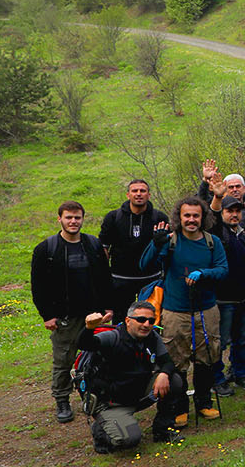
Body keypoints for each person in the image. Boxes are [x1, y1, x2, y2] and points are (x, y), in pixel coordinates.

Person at [139, 197, 228, 422]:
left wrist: (203, 273)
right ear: (179, 217)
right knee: (176, 360)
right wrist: (156, 243)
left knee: (207, 358)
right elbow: (144, 265)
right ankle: (179, 408)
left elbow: (223, 270)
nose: (191, 220)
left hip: (206, 309)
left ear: (203, 217)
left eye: (195, 216)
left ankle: (204, 403)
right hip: (174, 310)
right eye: (186, 215)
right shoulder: (170, 241)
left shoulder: (212, 242)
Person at [31, 201, 115, 424]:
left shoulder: (93, 244)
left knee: (100, 355)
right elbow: (38, 286)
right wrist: (47, 315)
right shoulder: (46, 249)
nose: (73, 221)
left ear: (83, 219)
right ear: (59, 219)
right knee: (63, 360)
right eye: (68, 217)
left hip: (94, 314)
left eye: (77, 217)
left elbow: (105, 278)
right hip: (64, 317)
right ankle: (62, 400)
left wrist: (108, 307)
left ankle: (99, 394)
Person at [75, 303, 188, 451]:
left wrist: (164, 374)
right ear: (128, 321)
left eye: (151, 321)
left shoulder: (152, 337)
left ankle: (162, 430)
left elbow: (167, 362)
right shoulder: (113, 337)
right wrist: (89, 328)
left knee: (174, 380)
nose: (146, 324)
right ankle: (101, 432)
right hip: (111, 402)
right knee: (129, 440)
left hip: (135, 394)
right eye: (140, 319)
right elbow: (85, 344)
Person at [98, 180, 170, 321]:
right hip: (121, 280)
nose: (138, 194)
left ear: (149, 195)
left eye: (142, 191)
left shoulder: (159, 218)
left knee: (151, 321)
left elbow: (167, 248)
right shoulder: (113, 218)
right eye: (134, 191)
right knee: (122, 321)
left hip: (151, 280)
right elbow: (104, 247)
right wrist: (104, 275)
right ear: (128, 195)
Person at [212, 199, 245, 392]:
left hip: (244, 297)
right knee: (220, 342)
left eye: (238, 211)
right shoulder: (217, 234)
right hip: (222, 299)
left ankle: (240, 373)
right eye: (230, 210)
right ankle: (216, 378)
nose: (234, 214)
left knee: (242, 339)